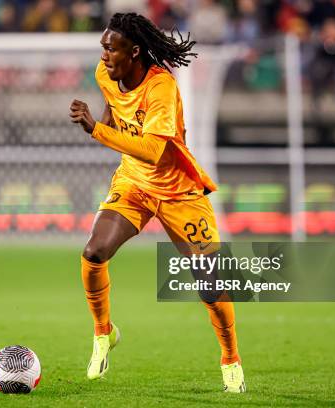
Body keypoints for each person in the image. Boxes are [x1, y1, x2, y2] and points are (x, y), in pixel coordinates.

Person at [69, 12, 245, 393]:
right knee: (94, 251)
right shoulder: (106, 74)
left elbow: (151, 150)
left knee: (210, 285)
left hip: (179, 191)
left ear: (133, 52)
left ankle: (230, 357)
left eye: (110, 49)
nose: (103, 57)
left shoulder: (161, 87)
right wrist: (105, 123)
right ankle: (104, 333)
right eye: (102, 47)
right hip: (134, 183)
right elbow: (115, 110)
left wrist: (96, 130)